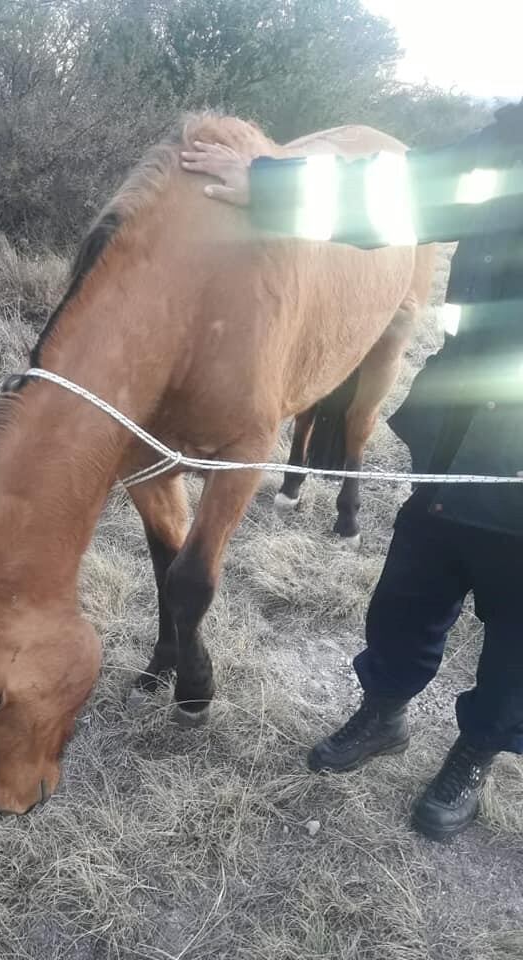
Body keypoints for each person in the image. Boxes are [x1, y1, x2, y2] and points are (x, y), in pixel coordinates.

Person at [181, 99, 523, 841]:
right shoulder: (515, 142)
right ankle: (385, 711)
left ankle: (475, 752)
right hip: (468, 427)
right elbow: (412, 188)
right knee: (415, 581)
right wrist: (272, 186)